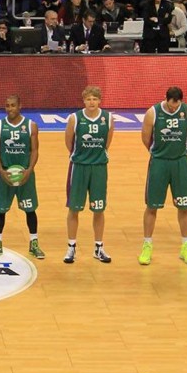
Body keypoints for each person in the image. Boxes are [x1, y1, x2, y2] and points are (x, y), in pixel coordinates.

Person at [139, 87, 187, 266]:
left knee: (184, 206)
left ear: (181, 101)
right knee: (152, 206)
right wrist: (155, 152)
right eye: (171, 105)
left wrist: (186, 149)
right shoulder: (153, 112)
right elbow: (145, 137)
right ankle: (147, 245)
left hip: (180, 162)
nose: (174, 108)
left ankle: (186, 246)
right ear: (165, 99)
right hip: (159, 162)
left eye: (177, 105)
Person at [0, 95, 44, 261]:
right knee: (0, 210)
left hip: (25, 175)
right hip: (5, 174)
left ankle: (34, 243)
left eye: (13, 105)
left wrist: (29, 170)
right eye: (7, 106)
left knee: (30, 209)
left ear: (20, 105)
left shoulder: (30, 126)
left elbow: (34, 151)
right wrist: (1, 171)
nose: (10, 109)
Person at [64, 86, 113, 264]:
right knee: (74, 208)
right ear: (83, 100)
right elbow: (69, 142)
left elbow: (107, 143)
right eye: (88, 99)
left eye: (95, 99)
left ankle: (99, 247)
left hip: (99, 167)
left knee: (99, 209)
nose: (91, 102)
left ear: (100, 100)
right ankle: (71, 247)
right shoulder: (75, 118)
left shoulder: (107, 118)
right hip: (79, 167)